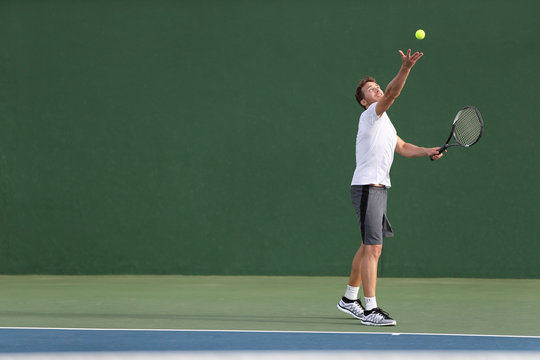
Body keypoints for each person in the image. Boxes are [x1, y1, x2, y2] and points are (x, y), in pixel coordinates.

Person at [337, 49, 444, 326]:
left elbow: (404, 148)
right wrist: (406, 68)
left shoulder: (385, 121)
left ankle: (350, 299)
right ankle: (370, 309)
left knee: (369, 246)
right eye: (371, 90)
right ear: (364, 101)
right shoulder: (371, 114)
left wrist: (428, 150)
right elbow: (392, 95)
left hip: (379, 188)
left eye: (377, 87)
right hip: (367, 187)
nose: (378, 90)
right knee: (373, 248)